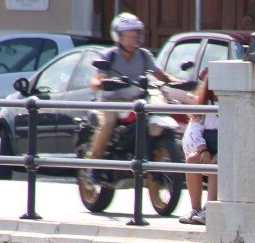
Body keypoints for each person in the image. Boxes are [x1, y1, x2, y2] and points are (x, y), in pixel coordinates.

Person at [87, 12, 171, 162]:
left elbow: (160, 74)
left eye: (135, 35)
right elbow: (97, 79)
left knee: (158, 117)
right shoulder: (109, 55)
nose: (133, 39)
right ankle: (93, 163)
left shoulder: (144, 55)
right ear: (118, 36)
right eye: (128, 36)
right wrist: (99, 83)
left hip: (137, 101)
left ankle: (156, 158)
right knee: (108, 124)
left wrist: (178, 82)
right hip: (112, 103)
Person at [179, 77, 218, 226]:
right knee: (191, 160)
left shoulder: (232, 104)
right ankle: (195, 209)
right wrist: (204, 150)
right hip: (207, 149)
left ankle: (210, 210)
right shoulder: (203, 105)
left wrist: (218, 155)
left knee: (216, 165)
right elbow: (195, 131)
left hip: (225, 152)